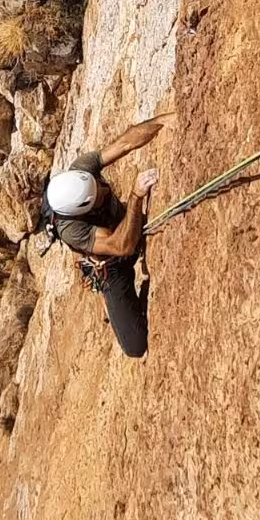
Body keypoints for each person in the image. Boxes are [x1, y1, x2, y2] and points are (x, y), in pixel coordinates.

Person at [44, 118, 165, 357]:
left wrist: (164, 121)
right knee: (135, 346)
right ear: (83, 209)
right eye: (96, 197)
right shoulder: (70, 228)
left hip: (121, 227)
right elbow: (121, 246)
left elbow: (125, 142)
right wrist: (135, 196)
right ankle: (113, 305)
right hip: (112, 264)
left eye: (98, 186)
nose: (103, 190)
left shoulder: (82, 169)